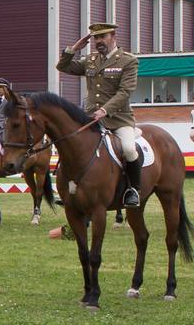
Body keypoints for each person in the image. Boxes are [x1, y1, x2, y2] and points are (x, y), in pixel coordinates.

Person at [57, 22, 144, 207]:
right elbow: (62, 67)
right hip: (90, 118)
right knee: (71, 145)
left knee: (129, 149)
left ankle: (133, 190)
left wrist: (105, 110)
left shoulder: (128, 60)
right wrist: (73, 49)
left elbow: (125, 92)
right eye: (96, 38)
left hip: (118, 118)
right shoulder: (90, 60)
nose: (98, 41)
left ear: (113, 37)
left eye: (102, 37)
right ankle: (70, 188)